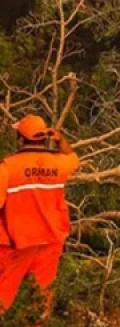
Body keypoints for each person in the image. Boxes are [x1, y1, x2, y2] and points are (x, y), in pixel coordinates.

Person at [0, 115, 80, 314]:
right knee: (41, 299)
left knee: (3, 298)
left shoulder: (7, 168)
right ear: (45, 138)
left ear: (20, 140)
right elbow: (74, 158)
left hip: (16, 244)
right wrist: (60, 140)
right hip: (50, 241)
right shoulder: (58, 164)